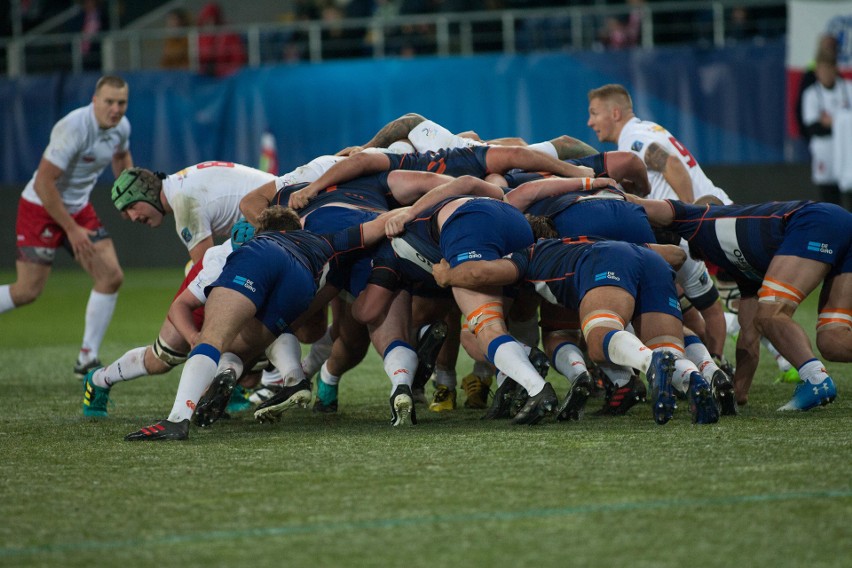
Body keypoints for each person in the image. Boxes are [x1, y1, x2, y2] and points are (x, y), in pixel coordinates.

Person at [125, 205, 397, 441]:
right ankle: (293, 378)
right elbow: (375, 227)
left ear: (262, 229)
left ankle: (177, 419)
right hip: (302, 279)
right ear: (297, 227)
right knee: (243, 346)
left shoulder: (255, 242)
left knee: (212, 339)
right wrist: (414, 210)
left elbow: (182, 307)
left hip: (262, 256)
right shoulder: (322, 240)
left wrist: (197, 339)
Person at [431, 234, 720, 426]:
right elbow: (674, 254)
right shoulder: (579, 240)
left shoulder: (530, 252)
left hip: (604, 261)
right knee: (666, 346)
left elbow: (482, 273)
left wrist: (447, 276)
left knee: (598, 341)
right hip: (649, 259)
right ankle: (694, 381)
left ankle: (649, 362)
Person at [630, 196, 850, 411]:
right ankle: (813, 376)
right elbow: (748, 337)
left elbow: (644, 206)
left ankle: (815, 378)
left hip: (816, 220)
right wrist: (736, 392)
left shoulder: (696, 218)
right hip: (835, 226)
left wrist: (600, 188)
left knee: (770, 315)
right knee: (833, 341)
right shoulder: (741, 264)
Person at [0, 75, 132, 377]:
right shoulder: (73, 127)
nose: (115, 109)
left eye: (121, 103)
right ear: (94, 101)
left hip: (78, 207)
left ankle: (87, 357)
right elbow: (45, 182)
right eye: (109, 102)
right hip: (40, 206)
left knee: (111, 276)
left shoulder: (121, 128)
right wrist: (72, 229)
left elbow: (122, 156)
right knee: (27, 291)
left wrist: (128, 196)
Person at [586, 83, 730, 359]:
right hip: (712, 220)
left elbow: (672, 166)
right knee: (717, 303)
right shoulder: (647, 129)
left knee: (739, 305)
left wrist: (691, 219)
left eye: (594, 113)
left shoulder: (634, 141)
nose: (590, 121)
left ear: (615, 113)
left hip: (699, 229)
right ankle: (712, 364)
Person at [111, 162, 275, 263]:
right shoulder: (181, 184)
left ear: (147, 192)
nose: (132, 217)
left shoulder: (183, 202)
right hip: (280, 204)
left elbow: (205, 271)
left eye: (131, 207)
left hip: (279, 215)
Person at [801, 49, 852, 209]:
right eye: (822, 70)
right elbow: (813, 127)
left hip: (847, 149)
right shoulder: (811, 94)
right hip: (825, 150)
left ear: (835, 69)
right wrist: (841, 121)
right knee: (830, 199)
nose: (826, 74)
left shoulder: (848, 88)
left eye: (829, 69)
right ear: (817, 72)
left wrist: (831, 121)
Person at [197, 2, 246, 77]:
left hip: (226, 74)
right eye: (207, 19)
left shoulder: (228, 34)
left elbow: (238, 57)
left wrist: (226, 71)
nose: (210, 23)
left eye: (212, 19)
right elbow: (199, 57)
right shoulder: (201, 36)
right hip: (207, 74)